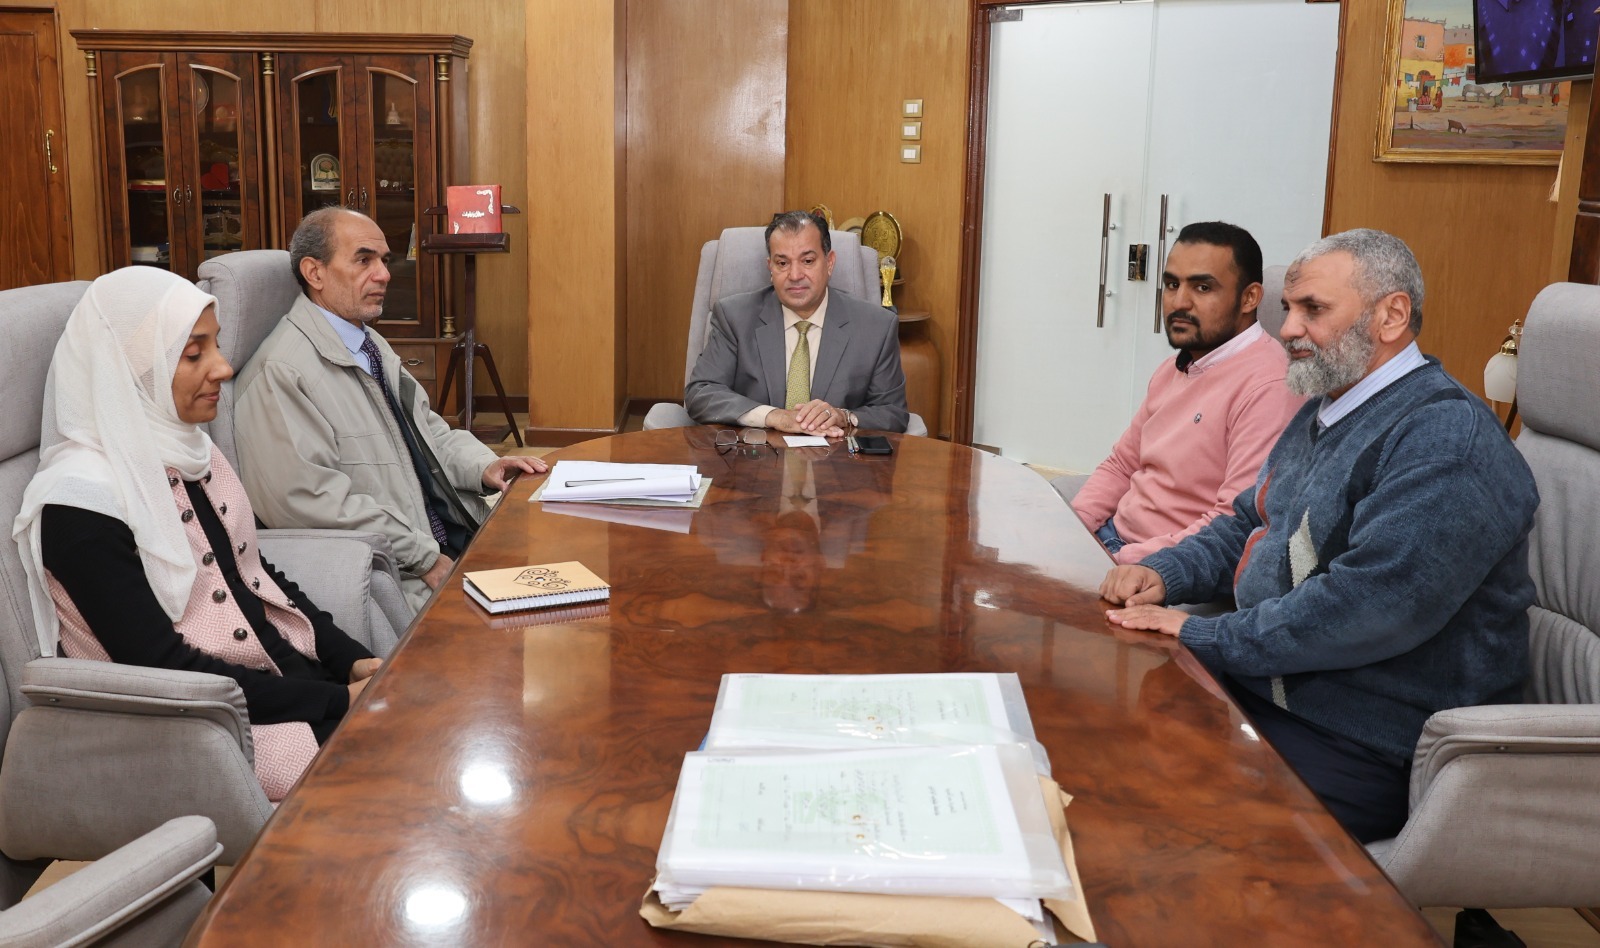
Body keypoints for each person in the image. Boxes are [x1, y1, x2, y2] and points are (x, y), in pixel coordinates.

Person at [1100, 228, 1538, 847]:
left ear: (1391, 316)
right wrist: (1167, 573)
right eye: (1288, 309)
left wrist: (1206, 634)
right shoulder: (1328, 407)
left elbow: (1366, 609)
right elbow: (1250, 523)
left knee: (1163, 822)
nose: (1287, 329)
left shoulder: (1445, 441)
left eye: (1313, 309)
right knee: (1104, 745)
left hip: (1365, 739)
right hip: (1274, 692)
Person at [12, 268, 383, 802]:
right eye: (193, 354)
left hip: (285, 687)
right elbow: (162, 667)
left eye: (216, 345)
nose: (224, 368)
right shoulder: (81, 506)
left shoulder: (187, 448)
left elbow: (250, 573)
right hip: (213, 728)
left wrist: (349, 659)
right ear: (134, 370)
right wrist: (337, 702)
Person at [233, 208, 544, 612]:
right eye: (364, 260)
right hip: (405, 577)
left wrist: (484, 465)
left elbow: (428, 430)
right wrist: (424, 558)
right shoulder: (281, 372)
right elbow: (310, 502)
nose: (383, 274)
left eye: (384, 260)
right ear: (315, 272)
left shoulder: (366, 343)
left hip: (452, 537)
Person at [1072, 222, 1303, 564]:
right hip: (1113, 540)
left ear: (1249, 298)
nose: (1179, 302)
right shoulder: (1176, 366)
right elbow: (1122, 465)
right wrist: (1071, 529)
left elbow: (1232, 524)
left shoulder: (1270, 387)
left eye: (1202, 287)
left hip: (1163, 567)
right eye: (1171, 284)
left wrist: (1116, 561)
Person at [685, 210, 909, 436]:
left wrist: (844, 416)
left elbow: (892, 412)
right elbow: (701, 393)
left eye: (807, 261)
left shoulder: (875, 326)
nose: (794, 275)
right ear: (770, 267)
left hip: (836, 455)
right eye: (782, 263)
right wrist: (774, 416)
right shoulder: (735, 318)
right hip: (756, 453)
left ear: (829, 263)